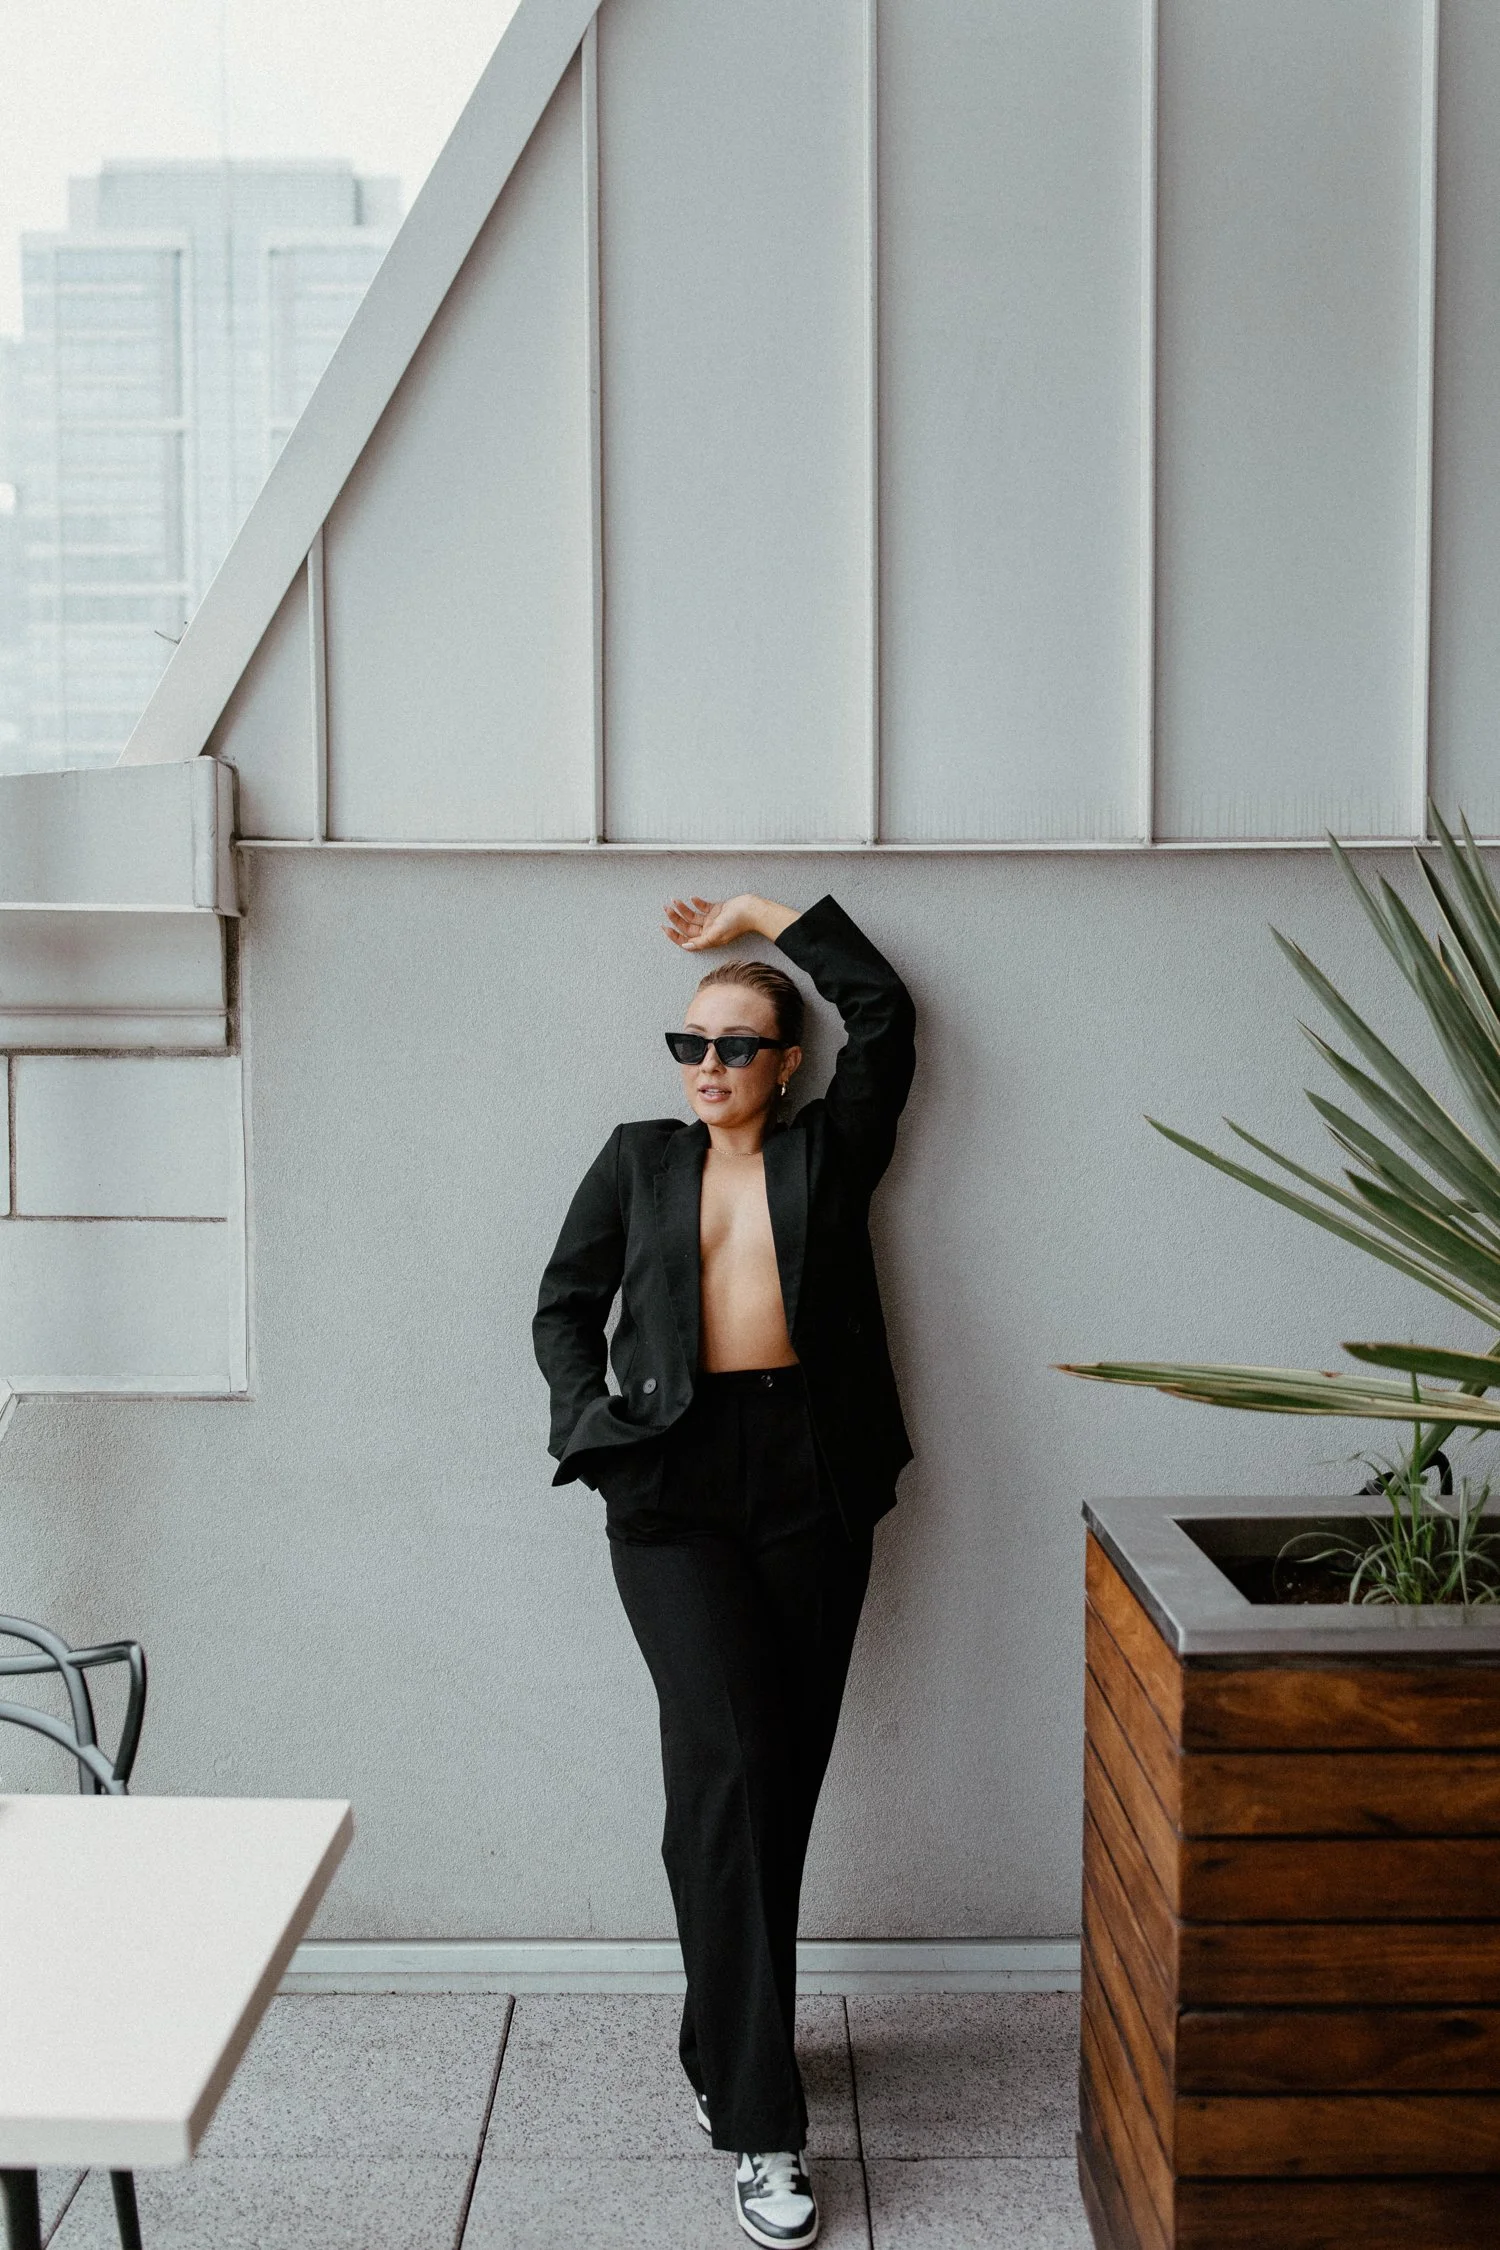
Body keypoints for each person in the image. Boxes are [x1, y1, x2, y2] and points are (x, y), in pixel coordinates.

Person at [534, 891, 916, 2249]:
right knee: (734, 1763)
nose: (708, 1067)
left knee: (759, 1786)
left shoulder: (830, 1149)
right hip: (675, 1489)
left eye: (738, 1047)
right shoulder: (638, 1159)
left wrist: (776, 917)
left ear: (785, 1064)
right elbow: (563, 1303)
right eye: (691, 1043)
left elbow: (885, 1015)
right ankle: (760, 2120)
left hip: (811, 1488)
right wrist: (599, 1430)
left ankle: (716, 2041)